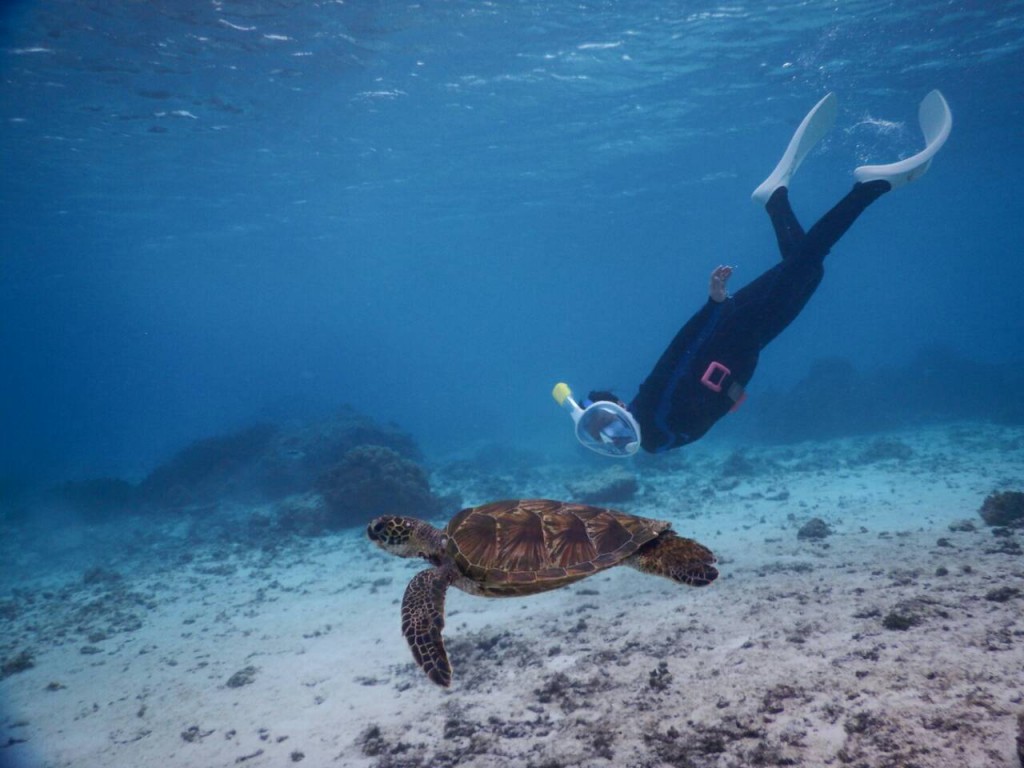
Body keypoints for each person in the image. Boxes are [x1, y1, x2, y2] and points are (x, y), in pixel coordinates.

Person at [555, 90, 952, 457]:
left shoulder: (650, 407)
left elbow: (680, 354)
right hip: (750, 340)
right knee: (807, 270)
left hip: (735, 324)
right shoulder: (654, 443)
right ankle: (775, 198)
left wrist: (714, 306)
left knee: (809, 260)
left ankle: (868, 188)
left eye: (607, 424)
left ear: (620, 407)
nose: (612, 435)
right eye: (602, 433)